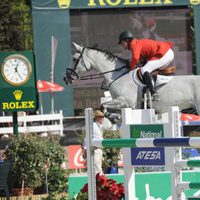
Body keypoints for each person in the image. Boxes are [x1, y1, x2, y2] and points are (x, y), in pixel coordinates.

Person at [118, 30, 174, 101]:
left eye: (121, 42)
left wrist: (131, 67)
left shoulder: (134, 44)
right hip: (167, 53)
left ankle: (154, 94)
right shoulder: (136, 43)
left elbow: (135, 58)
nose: (121, 45)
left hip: (164, 53)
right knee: (146, 69)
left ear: (127, 40)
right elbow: (142, 60)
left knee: (144, 70)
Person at [82, 110, 105, 174]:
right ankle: (101, 183)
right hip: (95, 150)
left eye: (103, 117)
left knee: (98, 168)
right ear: (97, 118)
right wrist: (85, 149)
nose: (102, 119)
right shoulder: (94, 126)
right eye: (101, 117)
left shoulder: (99, 126)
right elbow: (87, 138)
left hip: (98, 149)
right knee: (98, 170)